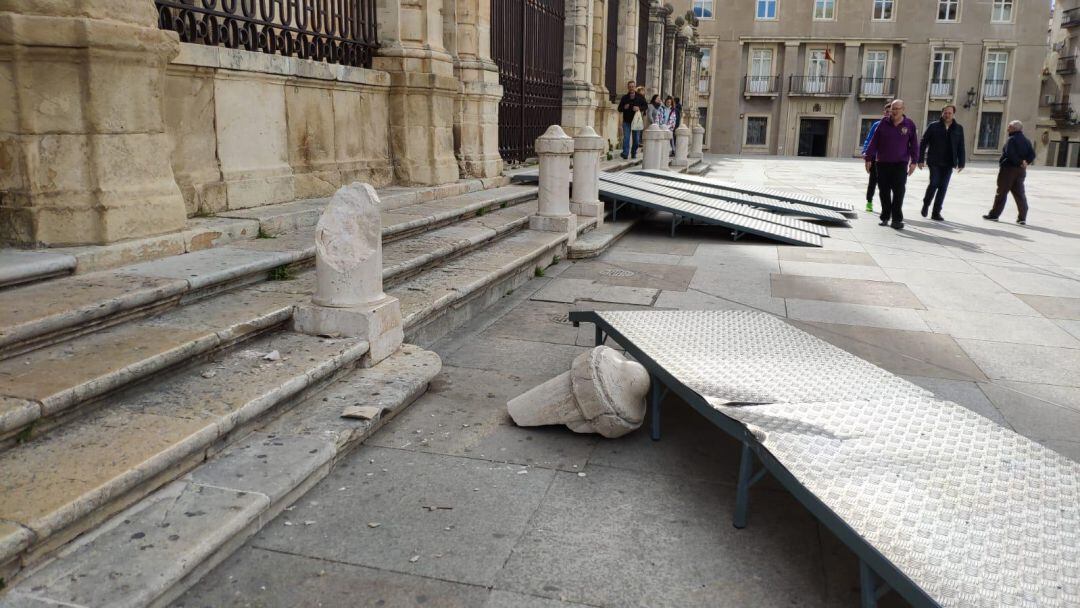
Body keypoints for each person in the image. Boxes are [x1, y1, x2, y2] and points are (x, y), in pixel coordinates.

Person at [864, 99, 918, 230]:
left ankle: (897, 219)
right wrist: (868, 158)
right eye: (893, 109)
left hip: (900, 164)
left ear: (903, 110)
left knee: (899, 191)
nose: (894, 111)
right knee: (884, 192)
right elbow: (874, 141)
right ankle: (885, 217)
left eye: (897, 109)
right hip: (882, 163)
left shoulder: (909, 124)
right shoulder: (883, 123)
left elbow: (914, 145)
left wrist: (914, 161)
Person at [917, 104, 965, 221]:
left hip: (949, 162)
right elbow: (923, 143)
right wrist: (920, 159)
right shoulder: (933, 126)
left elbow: (961, 146)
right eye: (945, 113)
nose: (947, 115)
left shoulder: (958, 128)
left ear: (953, 114)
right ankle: (926, 204)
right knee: (934, 183)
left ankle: (936, 212)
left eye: (950, 113)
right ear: (942, 113)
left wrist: (961, 162)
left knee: (943, 187)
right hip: (934, 161)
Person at [984, 120, 1036, 225]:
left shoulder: (1011, 139)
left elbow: (1009, 154)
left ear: (1014, 128)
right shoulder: (1027, 140)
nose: (1007, 128)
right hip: (1021, 171)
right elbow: (1032, 154)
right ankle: (1022, 217)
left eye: (1009, 127)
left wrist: (1019, 162)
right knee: (1020, 194)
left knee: (1001, 192)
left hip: (1008, 170)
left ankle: (994, 215)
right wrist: (1025, 163)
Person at [861, 101, 892, 213]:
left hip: (890, 160)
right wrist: (866, 152)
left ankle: (887, 206)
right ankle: (869, 202)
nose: (889, 114)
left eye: (891, 112)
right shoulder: (877, 125)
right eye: (887, 112)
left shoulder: (898, 126)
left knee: (886, 185)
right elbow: (869, 139)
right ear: (884, 112)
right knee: (873, 181)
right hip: (876, 158)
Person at [617, 81, 647, 159]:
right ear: (628, 87)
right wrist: (624, 107)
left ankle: (633, 152)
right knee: (626, 137)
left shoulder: (640, 97)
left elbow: (646, 106)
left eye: (632, 86)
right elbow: (619, 109)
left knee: (636, 140)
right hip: (626, 121)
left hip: (636, 121)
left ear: (635, 87)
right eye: (630, 87)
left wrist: (639, 108)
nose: (631, 88)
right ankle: (625, 153)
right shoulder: (624, 97)